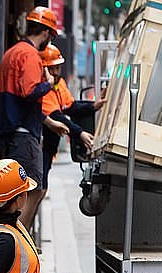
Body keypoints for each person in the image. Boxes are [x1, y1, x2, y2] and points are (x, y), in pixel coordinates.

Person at [0, 6, 68, 231]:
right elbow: (29, 92)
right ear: (45, 33)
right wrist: (49, 83)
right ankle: (17, 242)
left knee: (16, 191)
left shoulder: (13, 51)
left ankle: (13, 240)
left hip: (11, 130)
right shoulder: (29, 55)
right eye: (50, 35)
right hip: (23, 134)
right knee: (32, 188)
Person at [39, 43, 106, 196]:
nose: (55, 72)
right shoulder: (43, 90)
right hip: (41, 145)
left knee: (42, 187)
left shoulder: (59, 84)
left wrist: (93, 106)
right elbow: (58, 116)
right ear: (43, 70)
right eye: (51, 69)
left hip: (49, 147)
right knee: (39, 188)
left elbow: (71, 106)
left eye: (57, 68)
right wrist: (80, 133)